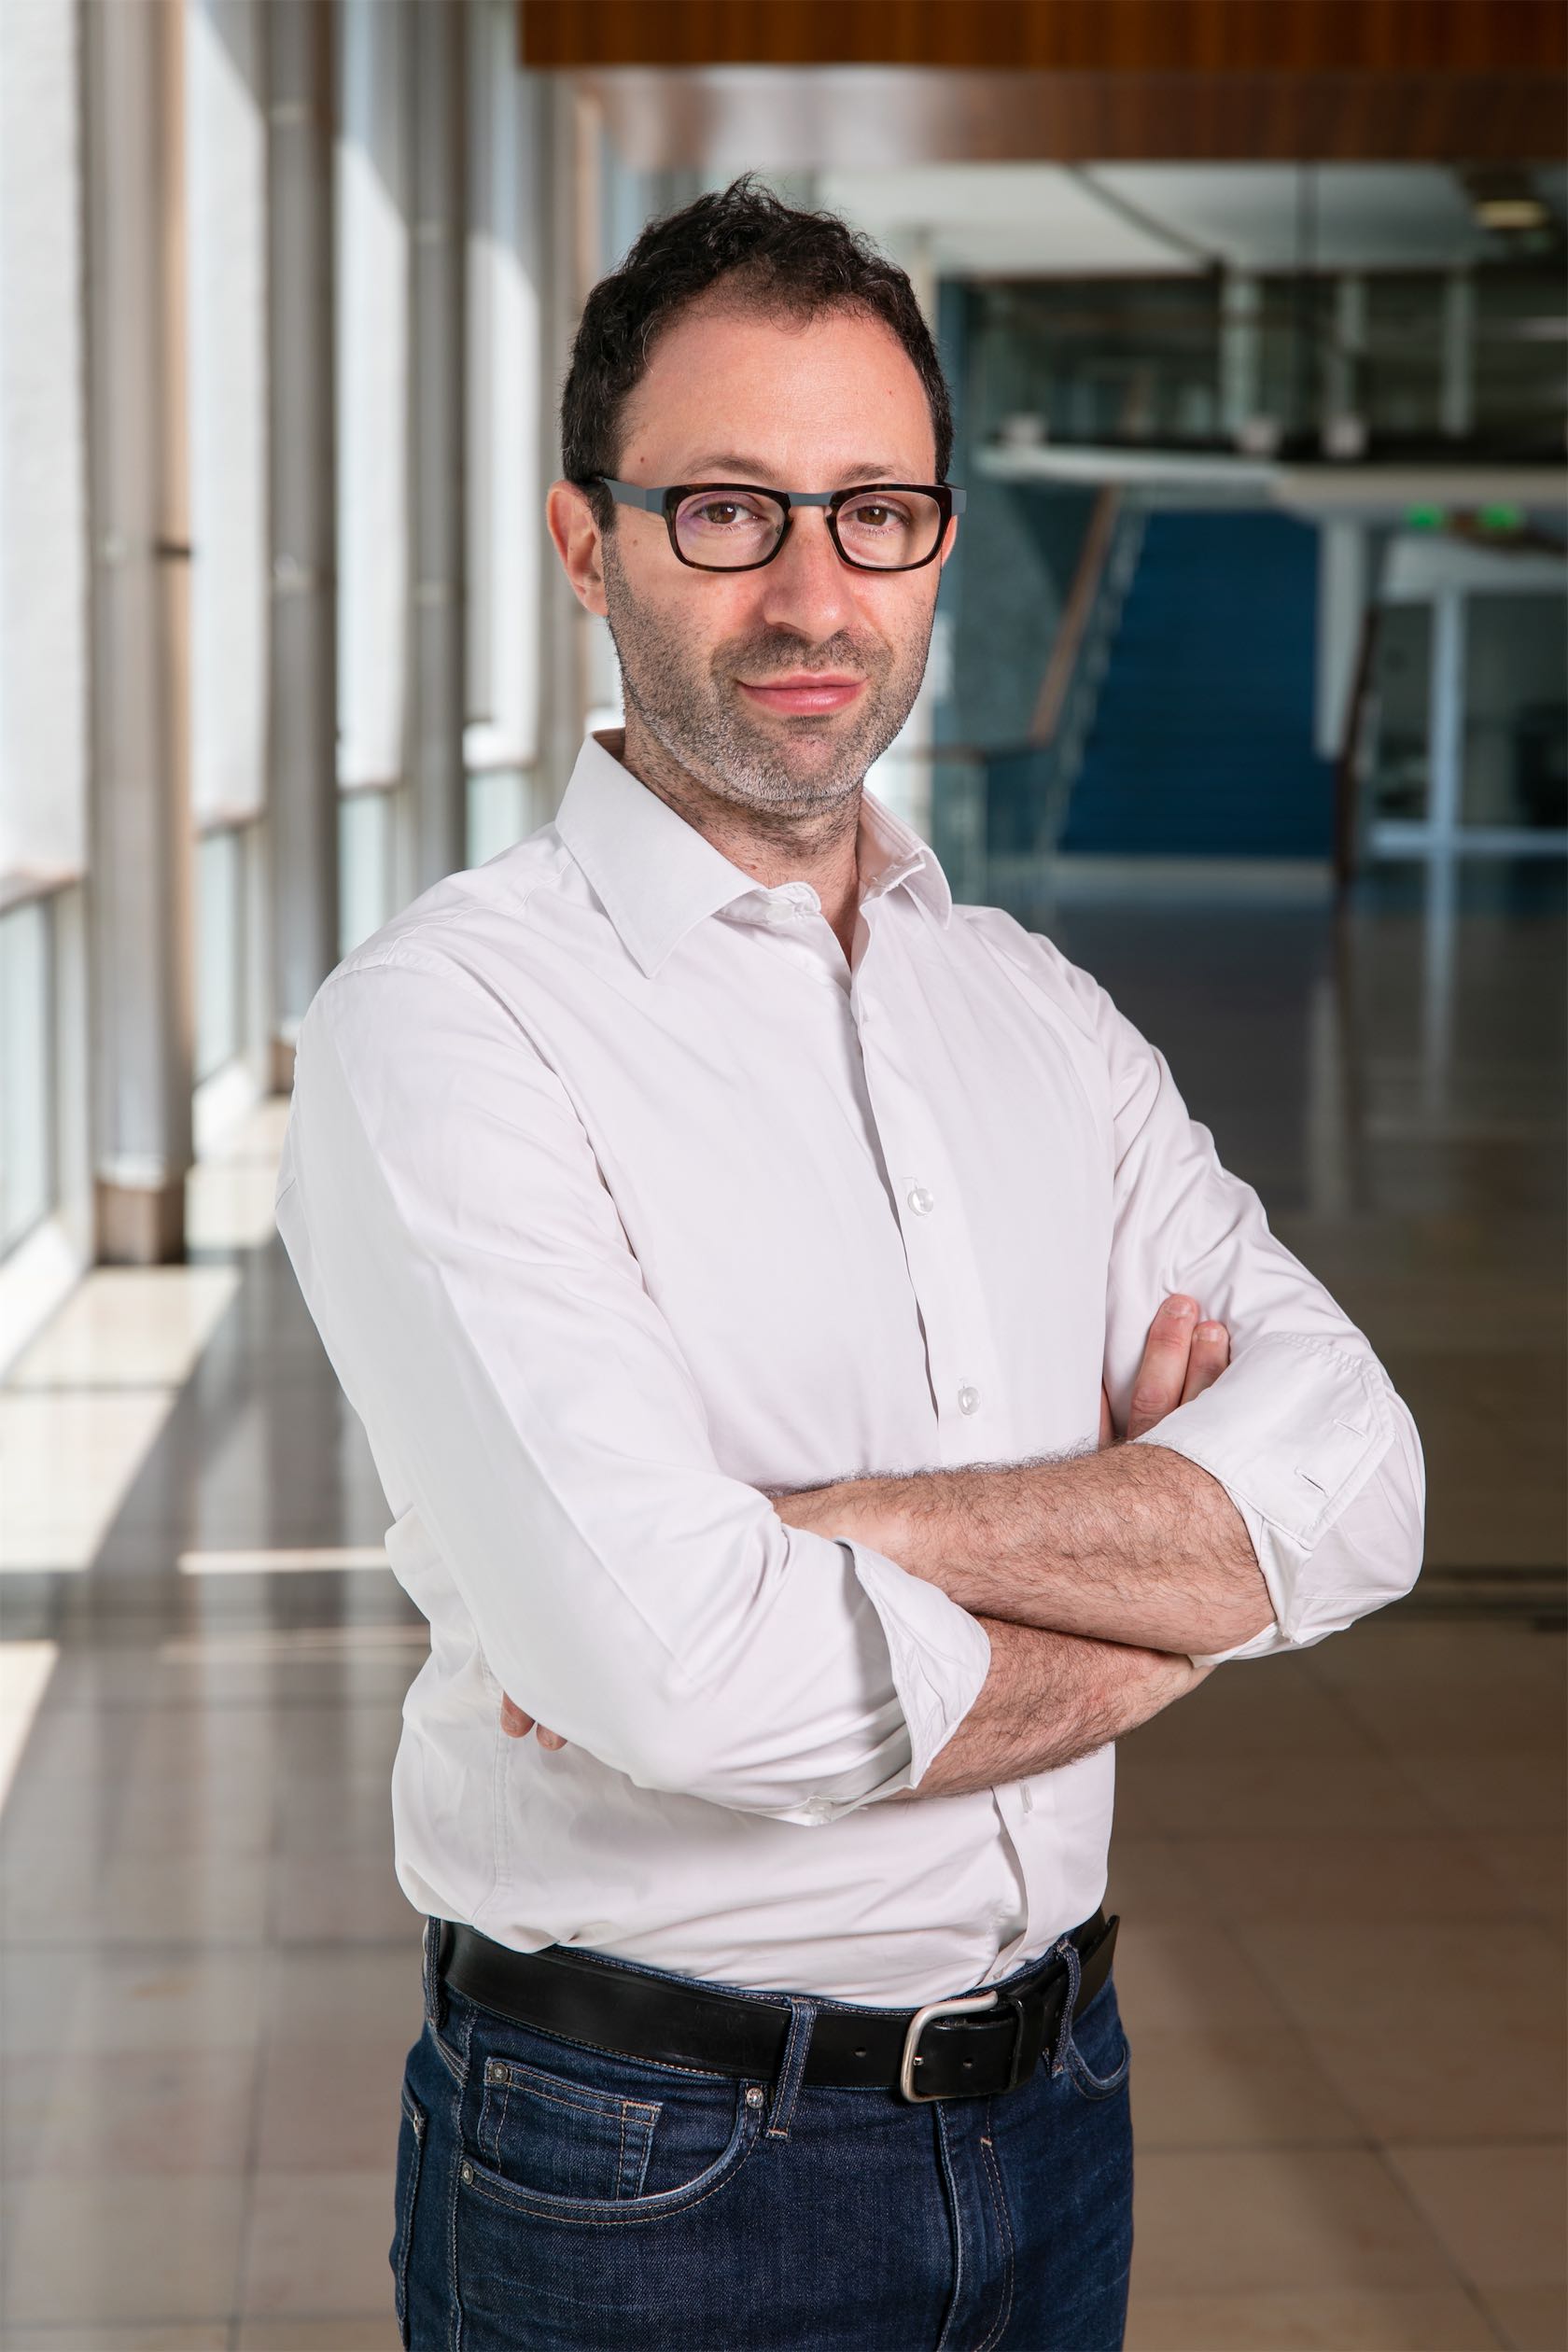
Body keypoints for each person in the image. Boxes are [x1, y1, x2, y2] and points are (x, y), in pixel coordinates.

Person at [275, 180, 1424, 2352]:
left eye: (877, 510)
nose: (815, 590)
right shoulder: (447, 1028)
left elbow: (1362, 1484)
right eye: (728, 510)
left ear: (939, 543)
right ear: (584, 540)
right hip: (653, 2167)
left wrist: (850, 1536)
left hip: (1056, 2111)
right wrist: (1174, 1621)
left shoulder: (1033, 1011)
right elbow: (683, 1675)